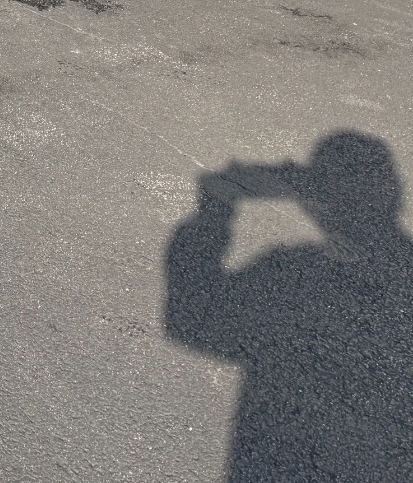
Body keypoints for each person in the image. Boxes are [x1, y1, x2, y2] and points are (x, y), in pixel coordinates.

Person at [163, 132, 413, 480]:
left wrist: (215, 207)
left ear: (316, 199)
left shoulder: (295, 271)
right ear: (394, 193)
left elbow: (190, 320)